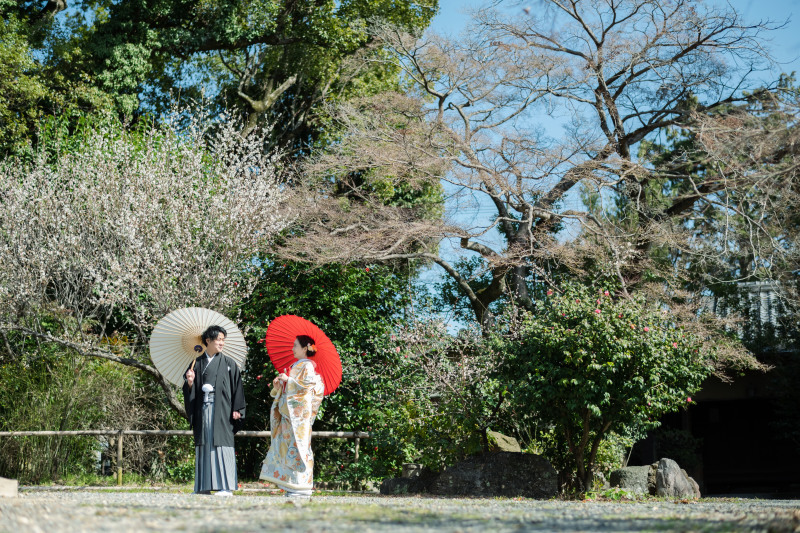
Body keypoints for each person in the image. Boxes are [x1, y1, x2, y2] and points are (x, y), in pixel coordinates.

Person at [184, 325, 246, 496]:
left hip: (223, 410)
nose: (221, 343)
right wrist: (190, 382)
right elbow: (189, 390)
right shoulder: (196, 363)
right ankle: (203, 486)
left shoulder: (228, 364)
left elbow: (237, 388)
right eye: (218, 339)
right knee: (204, 444)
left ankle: (225, 486)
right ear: (208, 341)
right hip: (202, 409)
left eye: (223, 340)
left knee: (222, 443)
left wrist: (237, 408)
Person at [260, 335, 325, 498]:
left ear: (305, 348)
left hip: (299, 418)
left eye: (295, 345)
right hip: (288, 417)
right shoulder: (296, 365)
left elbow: (305, 390)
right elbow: (290, 389)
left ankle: (301, 486)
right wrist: (278, 386)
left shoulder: (308, 366)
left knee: (299, 448)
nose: (292, 348)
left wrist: (289, 381)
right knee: (287, 448)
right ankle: (291, 484)